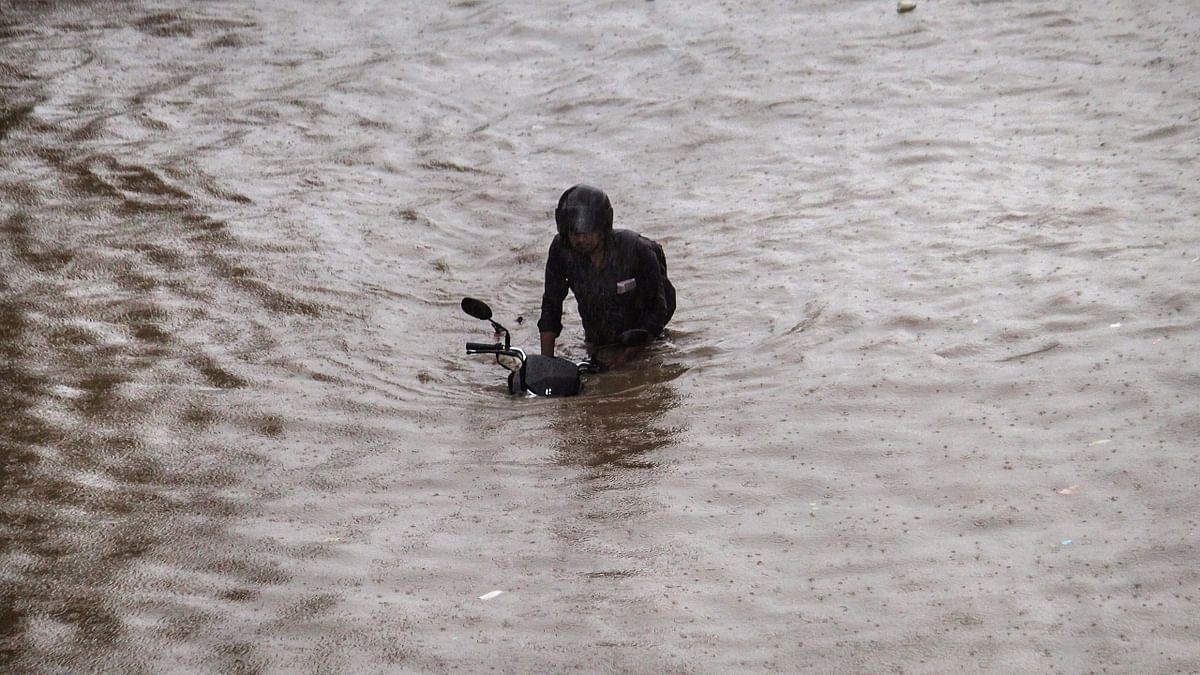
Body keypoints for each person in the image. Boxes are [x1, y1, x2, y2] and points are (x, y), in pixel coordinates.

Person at [537, 184, 675, 367]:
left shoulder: (636, 250)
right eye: (574, 233)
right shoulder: (562, 251)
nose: (580, 240)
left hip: (647, 345)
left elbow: (659, 309)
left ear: (602, 228)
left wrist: (626, 356)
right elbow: (551, 307)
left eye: (587, 233)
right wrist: (546, 364)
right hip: (597, 345)